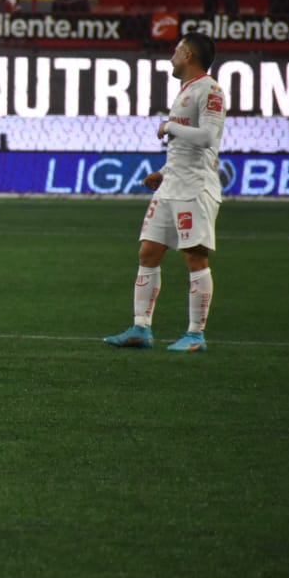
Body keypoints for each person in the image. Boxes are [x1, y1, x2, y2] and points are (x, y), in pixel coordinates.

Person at [105, 31, 225, 353]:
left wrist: (169, 126)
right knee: (148, 252)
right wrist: (164, 172)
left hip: (195, 188)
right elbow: (186, 148)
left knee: (194, 256)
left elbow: (208, 139)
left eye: (176, 50)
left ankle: (195, 335)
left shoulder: (210, 90)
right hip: (172, 184)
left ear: (188, 55)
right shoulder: (185, 91)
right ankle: (141, 328)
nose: (172, 56)